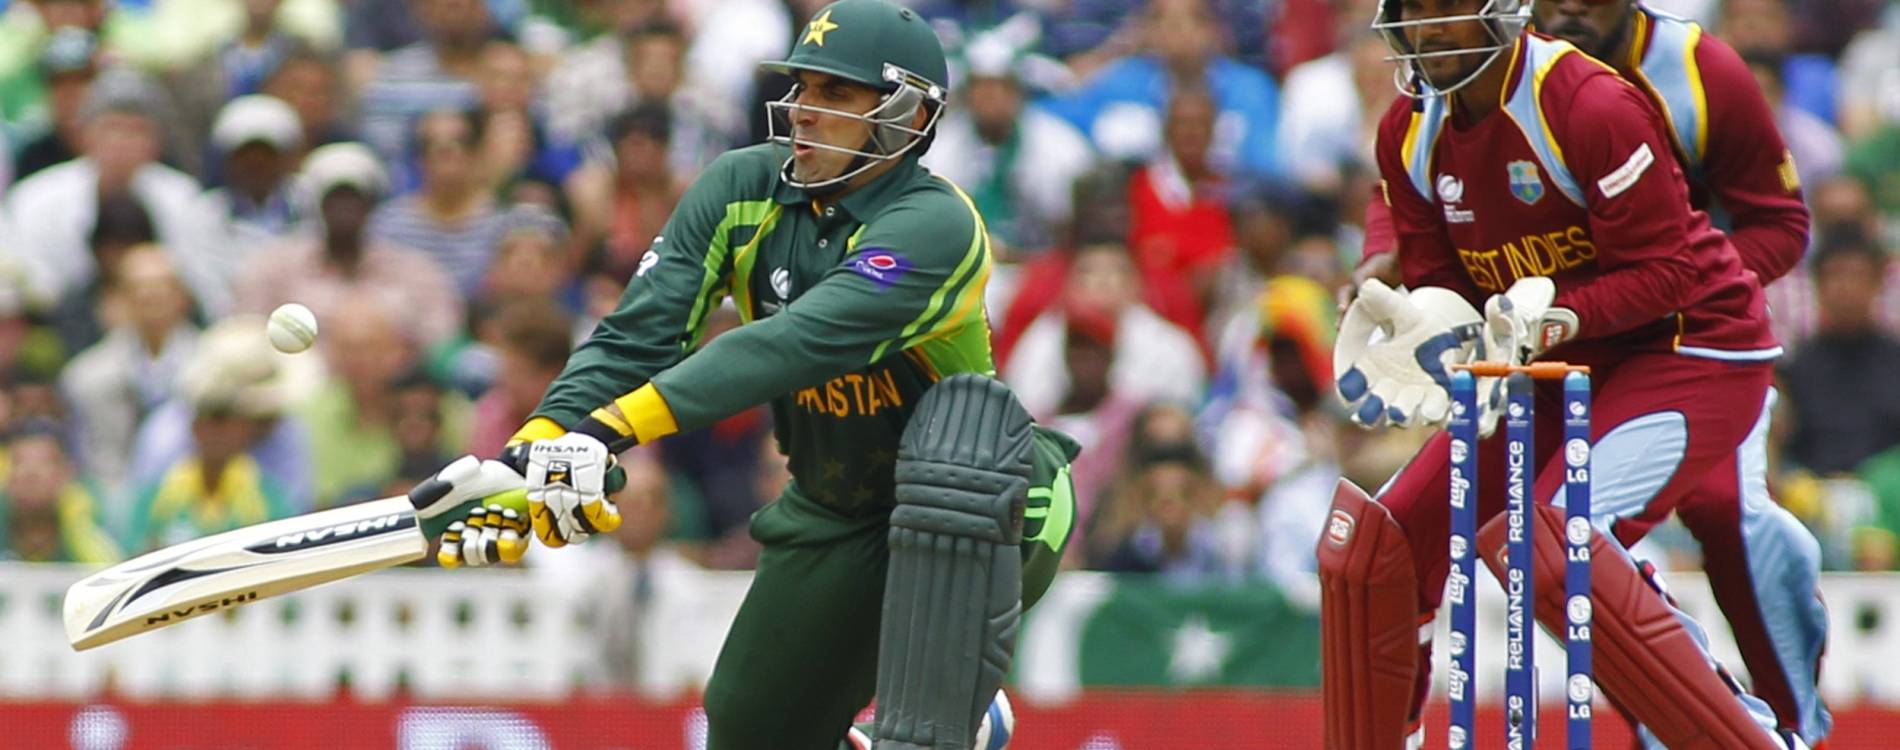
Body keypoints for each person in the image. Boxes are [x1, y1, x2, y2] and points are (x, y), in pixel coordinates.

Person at [405, 2, 1074, 748]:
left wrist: (608, 431)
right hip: (837, 506)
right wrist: (535, 447)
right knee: (750, 731)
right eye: (802, 87)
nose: (805, 111)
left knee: (950, 501)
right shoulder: (740, 187)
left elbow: (794, 344)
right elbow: (636, 335)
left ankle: (951, 715)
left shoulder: (937, 224)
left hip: (990, 501)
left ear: (908, 114)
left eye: (836, 94)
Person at [1317, 0, 1812, 747]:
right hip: (1555, 365)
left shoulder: (1587, 103)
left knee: (1553, 547)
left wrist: (1558, 317)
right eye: (1414, 10)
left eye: (1450, 8)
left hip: (1692, 348)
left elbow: (1670, 272)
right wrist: (1422, 323)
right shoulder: (1409, 130)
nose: (1429, 29)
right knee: (1371, 550)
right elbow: (1451, 283)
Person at [1524, 1, 1831, 744]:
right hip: (1570, 345)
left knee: (1728, 510)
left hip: (1692, 340)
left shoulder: (1701, 71)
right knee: (1560, 543)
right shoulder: (1500, 71)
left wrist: (1697, 285)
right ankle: (1685, 722)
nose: (1568, 6)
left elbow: (1781, 224)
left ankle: (1793, 726)